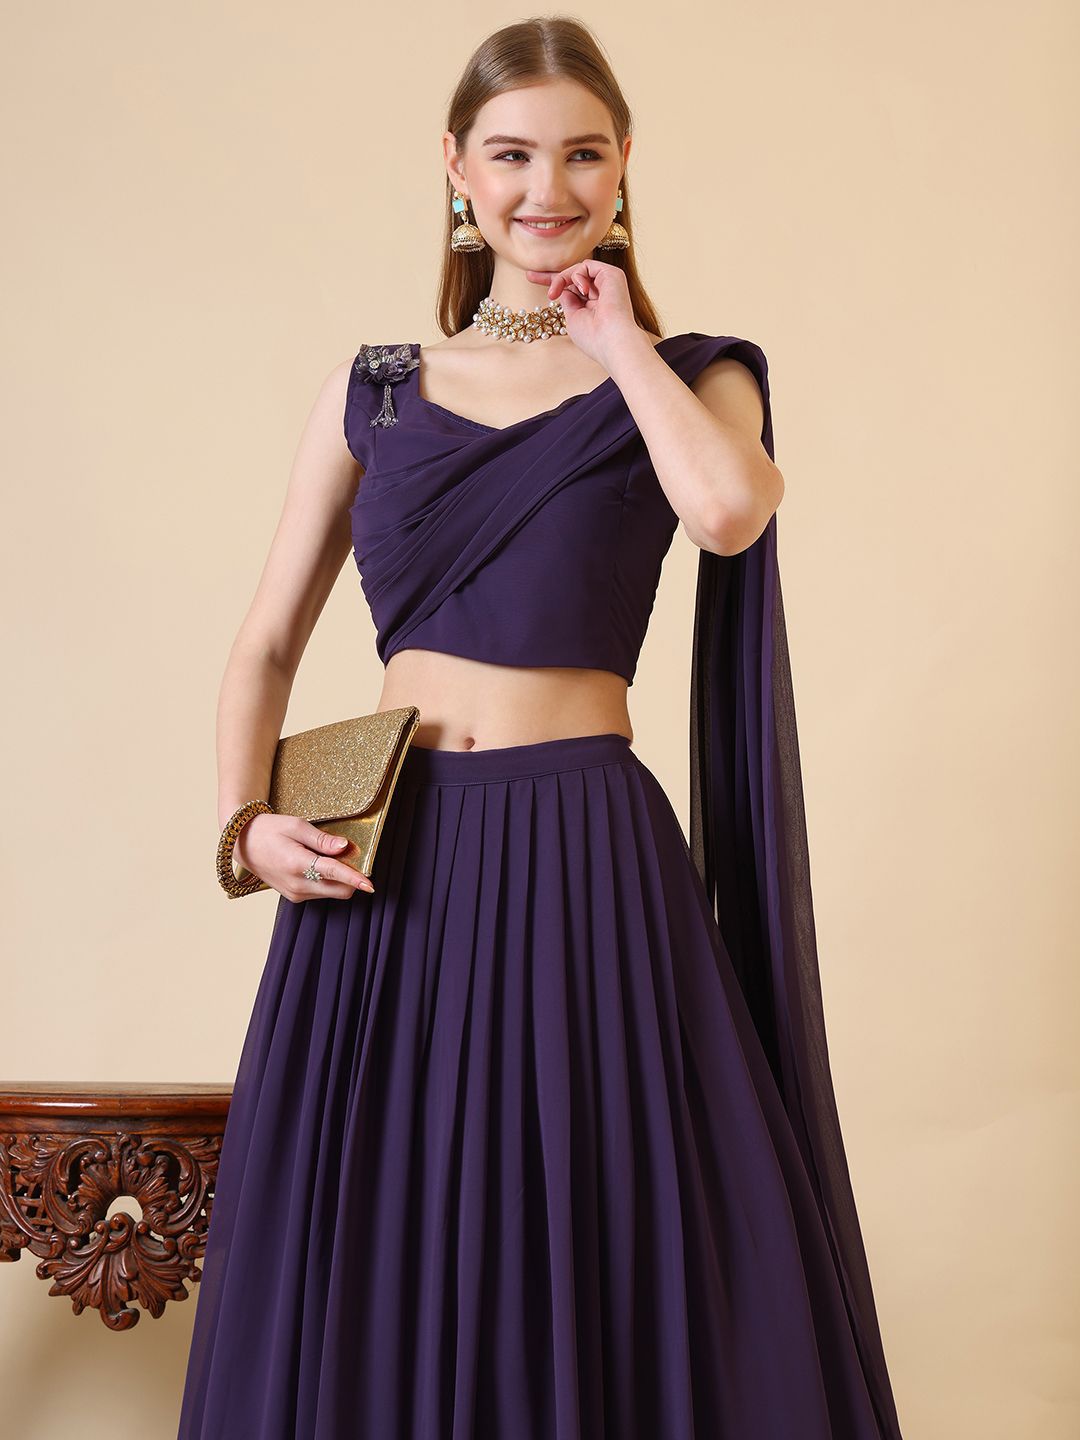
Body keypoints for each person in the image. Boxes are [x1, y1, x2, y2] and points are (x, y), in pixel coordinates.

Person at [178, 16, 905, 1439]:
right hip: (388, 863)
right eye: (510, 155)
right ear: (456, 168)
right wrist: (243, 827)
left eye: (581, 154)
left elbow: (729, 512)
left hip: (583, 847)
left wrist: (616, 337)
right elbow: (263, 642)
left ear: (624, 165)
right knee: (385, 1230)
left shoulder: (695, 372)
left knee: (588, 1210)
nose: (544, 188)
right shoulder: (375, 388)